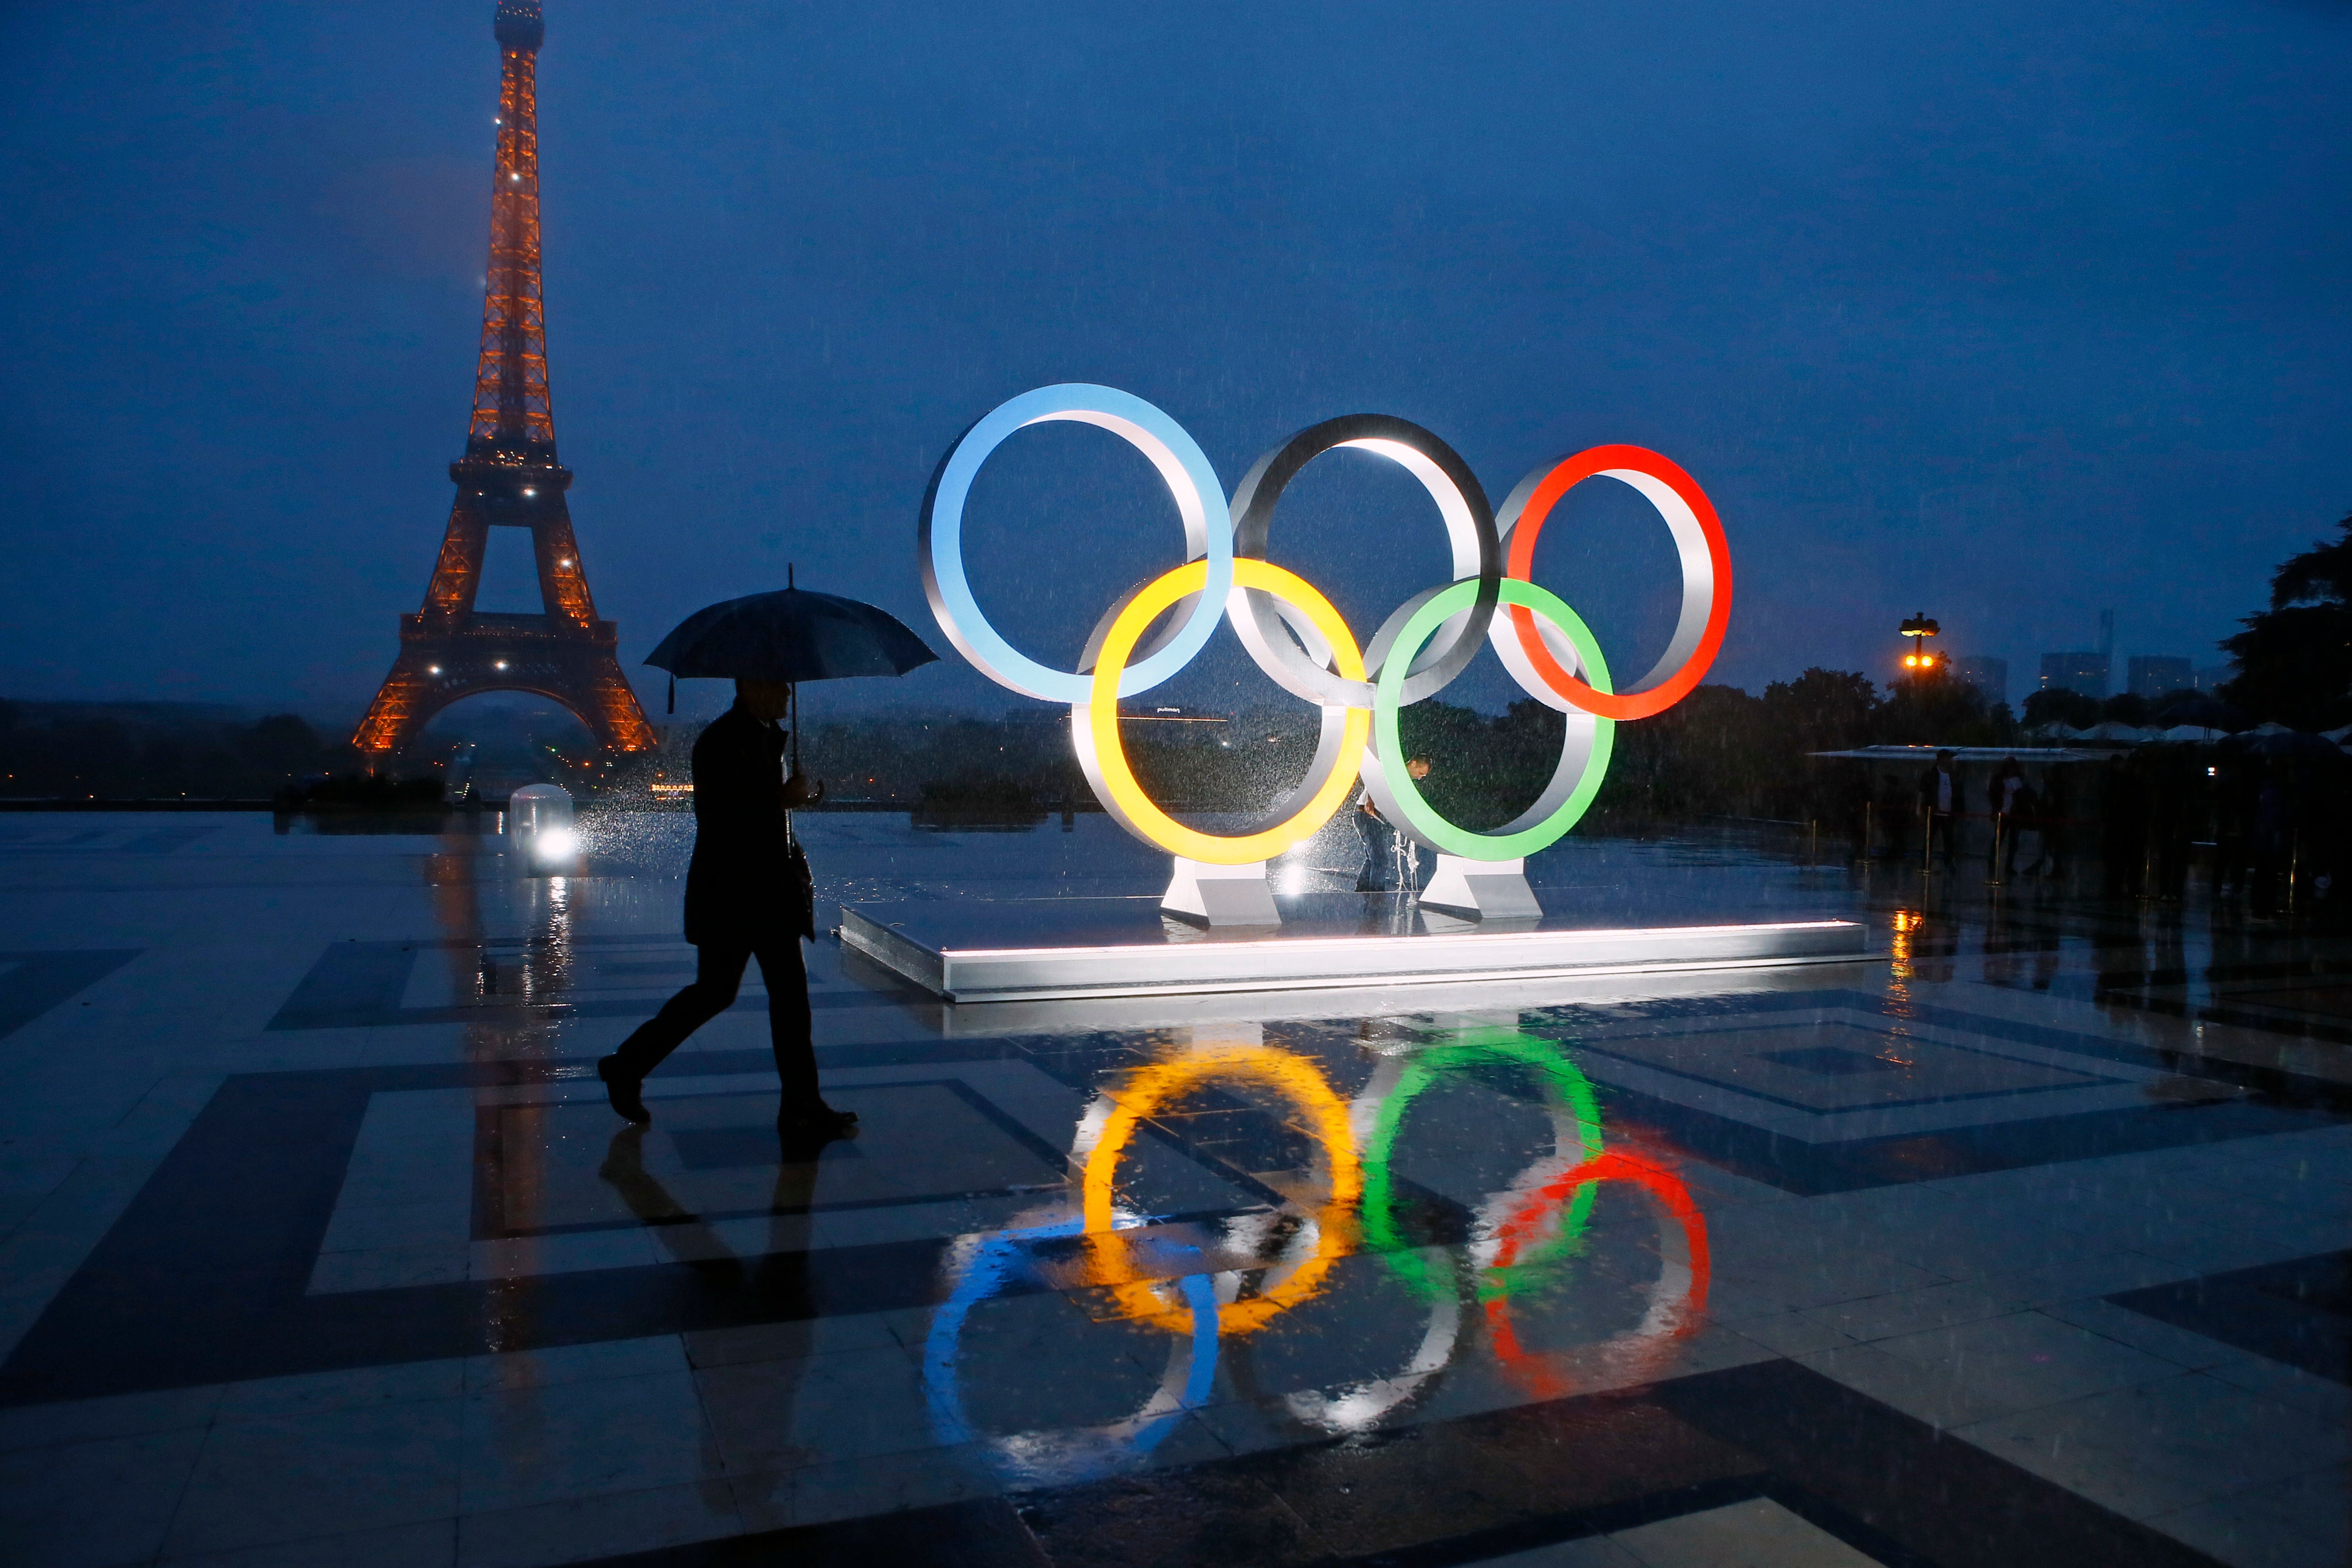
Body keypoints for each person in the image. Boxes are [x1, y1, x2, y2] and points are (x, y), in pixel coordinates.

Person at [597, 678, 857, 1135]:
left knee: (758, 997)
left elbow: (748, 811)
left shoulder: (747, 735)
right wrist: (782, 799)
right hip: (741, 892)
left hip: (749, 892)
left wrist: (792, 799)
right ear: (753, 687)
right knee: (744, 996)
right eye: (781, 689)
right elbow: (727, 816)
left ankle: (800, 1101)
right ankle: (628, 1065)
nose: (787, 696)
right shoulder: (727, 740)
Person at [1355, 758, 1431, 892]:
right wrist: (1370, 800)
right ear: (1414, 763)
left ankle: (1362, 890)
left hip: (1374, 819)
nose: (1420, 778)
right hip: (1367, 815)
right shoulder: (1394, 769)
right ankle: (1376, 894)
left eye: (1423, 776)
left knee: (1373, 858)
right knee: (1380, 860)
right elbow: (1375, 779)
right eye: (1420, 773)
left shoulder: (1406, 783)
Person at [1916, 750, 1962, 871]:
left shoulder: (1954, 775)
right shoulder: (1930, 775)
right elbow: (1922, 792)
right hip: (1934, 812)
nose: (1949, 761)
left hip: (1948, 813)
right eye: (1947, 758)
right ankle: (1925, 862)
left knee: (1949, 840)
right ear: (1940, 759)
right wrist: (1919, 809)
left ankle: (1948, 862)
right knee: (1929, 839)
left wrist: (1958, 810)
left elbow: (1958, 794)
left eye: (1950, 759)